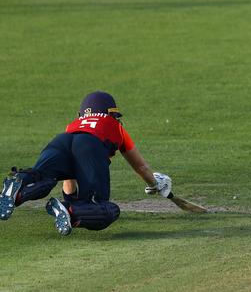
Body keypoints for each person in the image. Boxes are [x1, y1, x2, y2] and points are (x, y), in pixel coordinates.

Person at [0, 91, 172, 235]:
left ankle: (19, 186)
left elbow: (69, 175)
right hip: (91, 147)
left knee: (43, 177)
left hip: (59, 142)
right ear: (110, 113)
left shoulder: (73, 126)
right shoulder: (115, 126)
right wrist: (155, 184)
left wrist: (69, 197)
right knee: (105, 208)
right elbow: (140, 167)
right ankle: (70, 210)